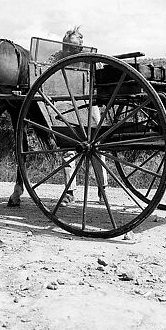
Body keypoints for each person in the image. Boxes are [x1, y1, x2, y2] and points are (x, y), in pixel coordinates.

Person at [53, 26, 108, 207]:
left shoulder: (91, 60)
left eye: (75, 48)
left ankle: (103, 190)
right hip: (67, 104)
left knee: (97, 147)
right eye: (68, 47)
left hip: (89, 104)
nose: (70, 51)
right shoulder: (58, 58)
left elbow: (101, 81)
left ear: (81, 46)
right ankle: (69, 192)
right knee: (68, 147)